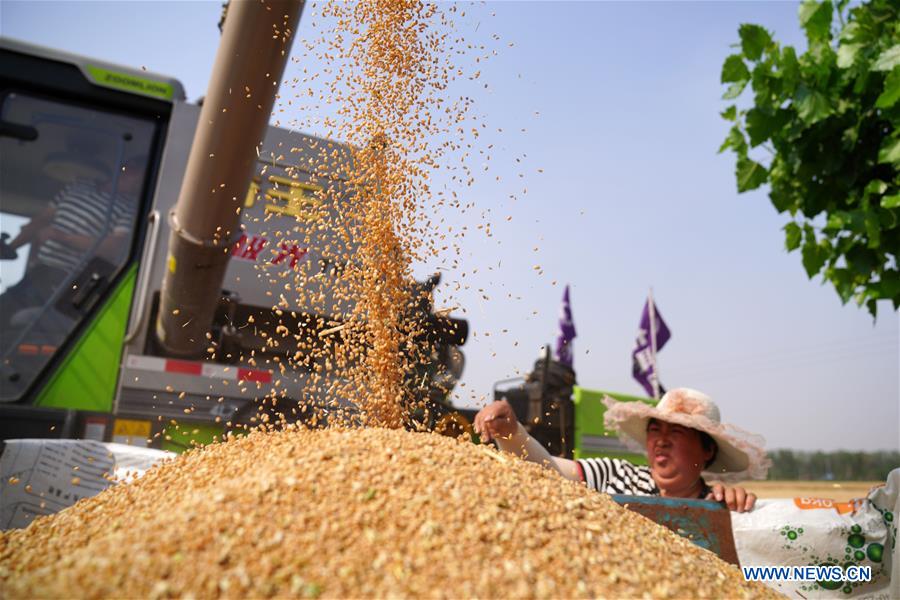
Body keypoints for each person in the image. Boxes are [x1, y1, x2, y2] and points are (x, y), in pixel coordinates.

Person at [474, 387, 770, 513]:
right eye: (655, 430)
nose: (661, 440)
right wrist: (512, 433)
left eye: (676, 431)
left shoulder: (718, 504)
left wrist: (736, 507)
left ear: (707, 450)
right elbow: (547, 470)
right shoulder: (615, 475)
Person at [0, 157, 144, 339]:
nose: (135, 178)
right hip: (39, 272)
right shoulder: (78, 186)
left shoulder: (129, 208)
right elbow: (42, 220)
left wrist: (61, 236)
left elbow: (112, 248)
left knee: (14, 318)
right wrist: (10, 247)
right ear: (126, 168)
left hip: (69, 279)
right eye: (134, 170)